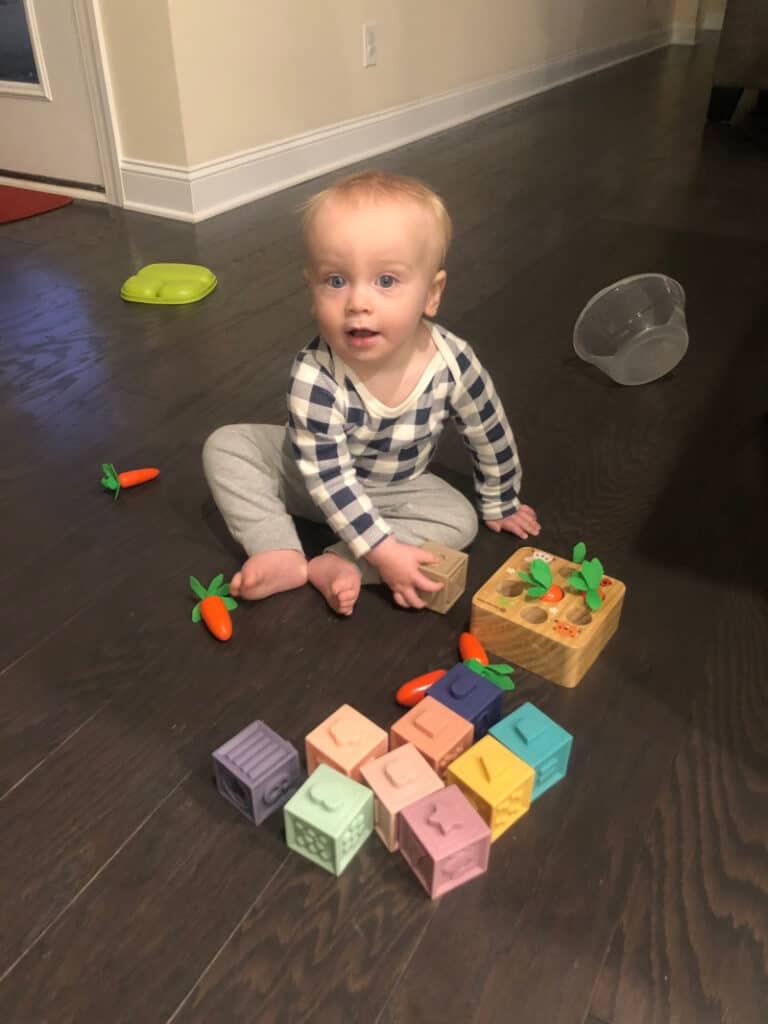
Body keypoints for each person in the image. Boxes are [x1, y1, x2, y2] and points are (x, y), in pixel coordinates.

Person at [203, 170, 540, 617]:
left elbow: (488, 430)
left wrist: (499, 498)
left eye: (386, 281)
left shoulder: (452, 362)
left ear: (431, 294)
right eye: (336, 281)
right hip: (306, 478)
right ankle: (277, 548)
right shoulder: (314, 372)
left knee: (459, 519)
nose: (358, 302)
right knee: (227, 446)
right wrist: (385, 551)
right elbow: (328, 477)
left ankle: (341, 562)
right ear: (312, 289)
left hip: (396, 489)